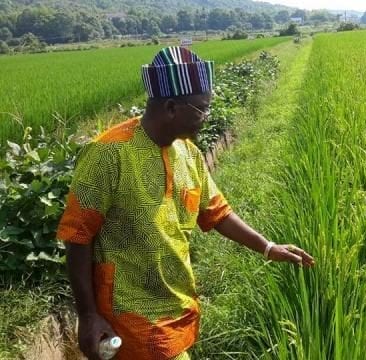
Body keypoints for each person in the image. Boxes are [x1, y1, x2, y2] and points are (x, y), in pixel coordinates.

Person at [56, 46, 315, 360]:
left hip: (177, 303)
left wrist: (268, 247)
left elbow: (216, 212)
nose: (207, 117)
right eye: (202, 109)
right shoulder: (108, 154)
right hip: (130, 318)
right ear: (170, 107)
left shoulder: (187, 153)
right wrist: (87, 315)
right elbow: (77, 236)